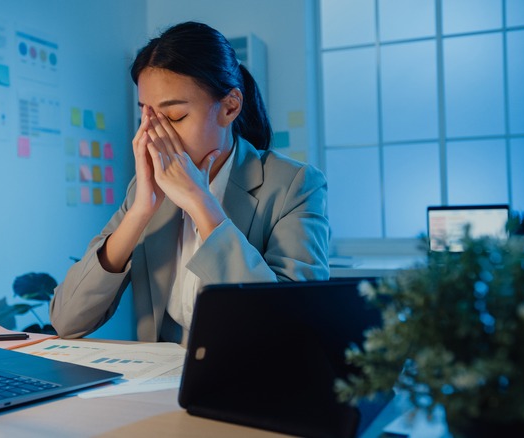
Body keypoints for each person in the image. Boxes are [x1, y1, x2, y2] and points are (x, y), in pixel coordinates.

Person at [50, 21, 329, 344]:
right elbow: (66, 320)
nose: (156, 134)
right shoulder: (146, 189)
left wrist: (201, 202)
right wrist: (140, 211)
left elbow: (291, 329)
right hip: (163, 387)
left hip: (252, 383)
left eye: (174, 117)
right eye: (147, 116)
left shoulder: (294, 185)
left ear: (230, 106)